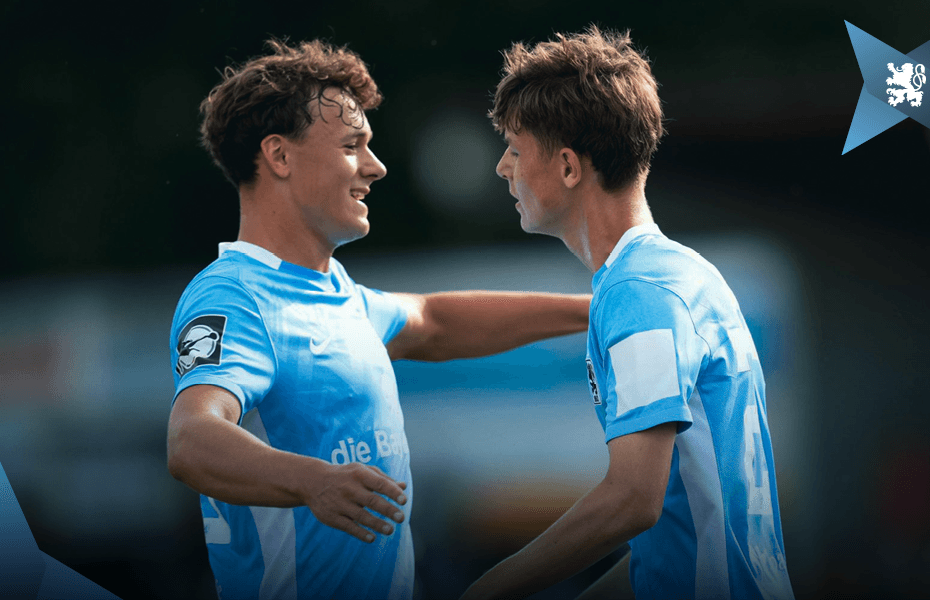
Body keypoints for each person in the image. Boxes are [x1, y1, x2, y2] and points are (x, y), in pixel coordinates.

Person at [166, 38, 591, 600]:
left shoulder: (333, 291)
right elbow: (192, 439)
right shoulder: (234, 298)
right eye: (351, 145)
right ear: (280, 156)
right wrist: (311, 481)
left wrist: (596, 309)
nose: (376, 165)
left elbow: (434, 320)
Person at [460, 26, 795, 600]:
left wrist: (488, 588)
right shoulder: (681, 274)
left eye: (515, 149)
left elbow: (632, 500)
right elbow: (667, 533)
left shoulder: (639, 293)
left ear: (568, 167)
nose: (502, 168)